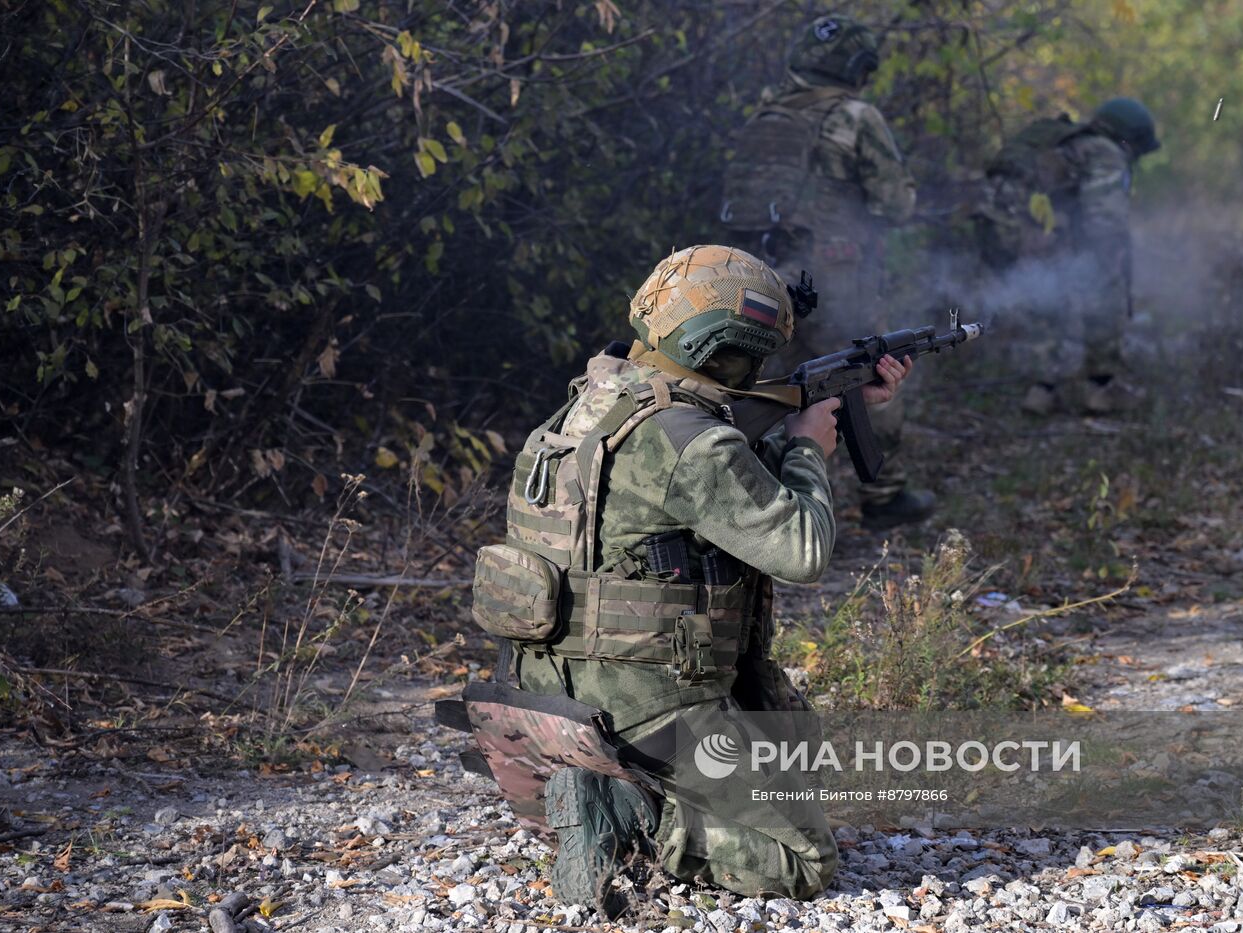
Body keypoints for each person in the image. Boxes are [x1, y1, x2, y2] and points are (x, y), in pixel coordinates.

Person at [465, 246, 913, 915]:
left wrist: (852, 407)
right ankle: (630, 807)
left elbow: (698, 501)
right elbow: (801, 549)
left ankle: (604, 782)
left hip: (546, 694)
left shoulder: (587, 409)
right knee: (802, 857)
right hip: (642, 709)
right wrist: (806, 450)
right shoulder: (692, 439)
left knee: (797, 762)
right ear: (738, 346)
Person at [718, 13, 931, 525]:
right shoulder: (854, 116)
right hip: (833, 272)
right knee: (871, 369)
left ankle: (745, 493)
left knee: (762, 383)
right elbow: (895, 204)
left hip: (757, 272)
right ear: (858, 67)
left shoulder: (763, 114)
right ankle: (884, 496)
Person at [974, 97, 1161, 415]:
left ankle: (1042, 391)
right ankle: (1101, 388)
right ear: (1128, 138)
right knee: (1104, 282)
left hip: (994, 225)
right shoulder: (1105, 152)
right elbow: (1104, 223)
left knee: (1048, 292)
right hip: (1029, 228)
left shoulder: (1065, 144)